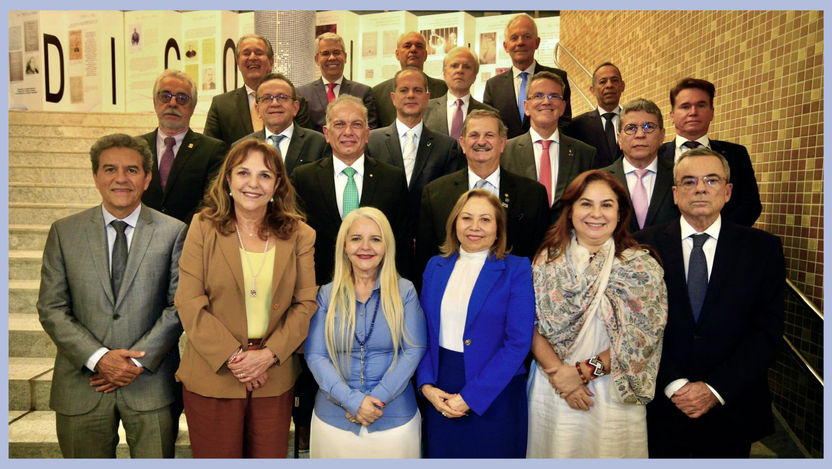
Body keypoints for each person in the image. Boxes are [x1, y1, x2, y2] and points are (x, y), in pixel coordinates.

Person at [37, 133, 187, 458]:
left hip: (150, 383)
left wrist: (132, 362)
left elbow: (179, 306)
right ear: (95, 176)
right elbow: (52, 308)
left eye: (132, 170)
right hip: (82, 382)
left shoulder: (174, 231)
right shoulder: (65, 232)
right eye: (110, 169)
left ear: (147, 178)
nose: (121, 178)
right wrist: (99, 359)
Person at [634, 148, 785, 458]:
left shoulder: (763, 249)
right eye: (688, 181)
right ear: (675, 194)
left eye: (711, 180)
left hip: (732, 406)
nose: (700, 188)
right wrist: (674, 383)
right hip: (662, 406)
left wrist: (715, 389)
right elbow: (636, 328)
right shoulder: (641, 246)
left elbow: (767, 330)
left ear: (728, 191)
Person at [175, 138, 317, 458]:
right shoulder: (203, 226)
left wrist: (268, 356)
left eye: (265, 175)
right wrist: (236, 358)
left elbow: (305, 303)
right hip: (214, 374)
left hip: (274, 375)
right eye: (243, 173)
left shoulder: (300, 234)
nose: (253, 183)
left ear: (278, 184)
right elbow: (188, 300)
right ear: (228, 179)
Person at [526, 169, 667, 458]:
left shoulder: (639, 266)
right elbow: (529, 324)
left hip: (611, 390)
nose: (596, 213)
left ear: (620, 213)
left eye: (607, 204)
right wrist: (561, 377)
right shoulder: (546, 260)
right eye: (586, 203)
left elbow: (641, 340)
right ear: (570, 210)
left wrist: (582, 373)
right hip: (552, 385)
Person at [417, 189, 535, 458]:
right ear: (454, 223)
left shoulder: (516, 269)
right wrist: (426, 386)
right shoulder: (435, 266)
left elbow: (518, 342)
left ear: (498, 228)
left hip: (495, 392)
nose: (474, 227)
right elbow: (422, 333)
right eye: (466, 218)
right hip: (441, 390)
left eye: (485, 220)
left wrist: (471, 396)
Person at [304, 207, 426, 458]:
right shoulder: (326, 294)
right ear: (345, 246)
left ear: (386, 246)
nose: (365, 247)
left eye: (375, 239)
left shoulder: (405, 291)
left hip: (395, 422)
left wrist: (375, 400)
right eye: (356, 238)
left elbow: (414, 350)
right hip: (333, 421)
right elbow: (315, 355)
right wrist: (352, 401)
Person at [292, 94, 412, 285]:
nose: (348, 132)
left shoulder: (392, 179)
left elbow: (402, 244)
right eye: (339, 124)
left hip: (378, 290)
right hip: (319, 289)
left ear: (367, 133)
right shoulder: (303, 178)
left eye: (356, 125)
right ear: (326, 133)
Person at [417, 109, 550, 276]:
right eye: (474, 135)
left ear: (502, 143)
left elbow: (540, 259)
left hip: (511, 294)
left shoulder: (532, 194)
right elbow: (425, 259)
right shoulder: (435, 193)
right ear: (462, 144)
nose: (481, 141)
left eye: (489, 135)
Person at [659, 77, 762, 226]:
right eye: (685, 106)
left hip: (724, 244)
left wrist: (716, 232)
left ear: (712, 113)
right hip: (665, 243)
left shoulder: (736, 154)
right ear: (672, 115)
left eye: (701, 105)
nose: (693, 112)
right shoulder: (656, 155)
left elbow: (750, 205)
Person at [367, 67, 461, 223]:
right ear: (393, 98)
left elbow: (447, 200)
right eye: (404, 90)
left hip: (428, 236)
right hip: (383, 235)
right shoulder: (372, 142)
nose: (411, 95)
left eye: (417, 90)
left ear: (427, 98)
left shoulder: (446, 147)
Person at [503, 71, 596, 223]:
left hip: (568, 241)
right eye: (538, 95)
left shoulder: (585, 154)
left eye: (554, 96)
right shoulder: (505, 151)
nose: (546, 101)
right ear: (526, 107)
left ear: (562, 107)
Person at [140, 70, 227, 224]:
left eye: (182, 98)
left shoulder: (213, 150)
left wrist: (179, 233)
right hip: (141, 236)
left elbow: (212, 201)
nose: (172, 103)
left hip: (189, 238)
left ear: (192, 107)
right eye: (165, 96)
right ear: (155, 102)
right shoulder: (136, 148)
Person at [203, 34, 311, 147]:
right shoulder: (221, 105)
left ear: (271, 62)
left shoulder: (294, 103)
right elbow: (211, 151)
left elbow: (305, 146)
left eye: (259, 53)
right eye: (246, 53)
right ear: (238, 63)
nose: (252, 57)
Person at [483, 14, 572, 138]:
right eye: (514, 38)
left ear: (537, 43)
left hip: (547, 153)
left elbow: (564, 122)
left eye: (527, 37)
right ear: (506, 46)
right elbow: (489, 127)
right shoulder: (493, 86)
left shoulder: (557, 78)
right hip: (507, 154)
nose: (520, 42)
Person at [601, 98, 679, 233]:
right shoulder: (600, 180)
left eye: (648, 127)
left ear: (662, 136)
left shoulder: (679, 177)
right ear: (619, 139)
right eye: (631, 128)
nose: (640, 134)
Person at [235, 72, 328, 176]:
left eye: (282, 97)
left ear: (295, 107)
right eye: (266, 98)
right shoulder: (240, 147)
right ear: (257, 110)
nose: (275, 103)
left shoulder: (319, 144)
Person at [297, 33, 379, 132]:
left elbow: (370, 131)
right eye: (325, 53)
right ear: (317, 59)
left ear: (345, 57)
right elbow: (300, 133)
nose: (332, 58)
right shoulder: (302, 94)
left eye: (336, 52)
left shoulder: (363, 92)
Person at [372, 31, 449, 127]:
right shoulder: (378, 93)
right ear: (397, 54)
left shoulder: (443, 88)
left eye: (419, 46)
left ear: (425, 55)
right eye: (407, 46)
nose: (413, 49)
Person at [423, 46, 497, 139]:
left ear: (474, 76)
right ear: (445, 73)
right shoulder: (425, 109)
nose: (460, 70)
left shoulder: (490, 114)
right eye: (454, 66)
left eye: (467, 67)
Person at [569, 62, 626, 168]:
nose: (609, 85)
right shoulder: (577, 126)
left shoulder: (632, 123)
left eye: (614, 80)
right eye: (603, 82)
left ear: (622, 86)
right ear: (593, 90)